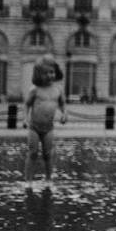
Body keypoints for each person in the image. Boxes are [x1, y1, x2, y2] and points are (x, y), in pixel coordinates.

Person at [23, 55, 67, 188]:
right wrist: (25, 118)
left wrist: (64, 114)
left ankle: (48, 179)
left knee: (48, 154)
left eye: (52, 72)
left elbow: (62, 104)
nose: (50, 75)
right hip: (34, 127)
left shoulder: (58, 89)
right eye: (46, 73)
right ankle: (28, 181)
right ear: (39, 74)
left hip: (49, 127)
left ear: (56, 73)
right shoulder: (35, 89)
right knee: (33, 152)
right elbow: (27, 104)